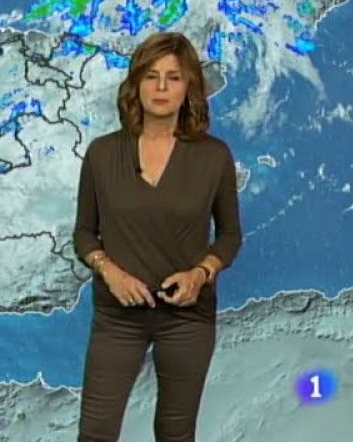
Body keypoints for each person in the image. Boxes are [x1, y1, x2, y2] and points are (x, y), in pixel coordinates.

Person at [73, 31, 243, 442]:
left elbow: (229, 236)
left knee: (175, 433)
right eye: (151, 76)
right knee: (96, 432)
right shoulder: (102, 154)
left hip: (186, 318)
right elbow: (84, 233)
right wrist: (109, 271)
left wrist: (200, 274)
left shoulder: (214, 156)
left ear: (189, 88)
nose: (162, 87)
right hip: (117, 317)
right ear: (136, 85)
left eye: (173, 77)